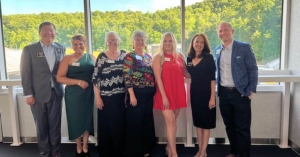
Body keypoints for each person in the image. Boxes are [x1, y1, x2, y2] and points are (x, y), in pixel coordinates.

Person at [20, 21, 66, 157]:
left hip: (56, 93)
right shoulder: (29, 49)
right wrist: (28, 94)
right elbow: (25, 73)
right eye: (45, 30)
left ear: (55, 33)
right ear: (39, 32)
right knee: (41, 127)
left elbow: (64, 69)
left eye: (51, 30)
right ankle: (45, 153)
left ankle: (56, 152)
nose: (49, 33)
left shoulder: (61, 48)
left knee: (55, 126)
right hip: (37, 95)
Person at [215, 22, 258, 157]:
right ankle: (234, 151)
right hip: (223, 94)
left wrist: (251, 90)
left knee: (243, 129)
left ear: (232, 31)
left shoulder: (243, 47)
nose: (223, 33)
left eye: (226, 30)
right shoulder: (217, 50)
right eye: (220, 31)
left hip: (240, 94)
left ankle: (245, 155)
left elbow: (253, 69)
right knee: (230, 126)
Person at [56, 34, 96, 157]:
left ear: (85, 44)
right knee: (75, 119)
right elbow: (59, 78)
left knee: (86, 119)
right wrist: (78, 82)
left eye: (81, 44)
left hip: (88, 93)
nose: (78, 46)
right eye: (75, 44)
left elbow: (98, 74)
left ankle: (85, 145)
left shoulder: (92, 57)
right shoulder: (67, 59)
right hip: (73, 94)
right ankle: (78, 145)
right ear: (72, 45)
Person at [153, 32, 190, 157]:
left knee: (174, 121)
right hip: (164, 94)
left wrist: (203, 72)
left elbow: (186, 73)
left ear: (174, 42)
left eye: (170, 41)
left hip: (178, 92)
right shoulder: (158, 57)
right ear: (162, 42)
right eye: (165, 41)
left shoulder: (180, 56)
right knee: (170, 122)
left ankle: (169, 147)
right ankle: (174, 153)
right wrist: (164, 96)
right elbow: (158, 78)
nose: (167, 43)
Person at [92, 31, 127, 157]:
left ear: (119, 41)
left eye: (115, 39)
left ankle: (119, 150)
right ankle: (107, 152)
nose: (112, 42)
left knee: (120, 124)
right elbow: (96, 78)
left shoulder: (124, 55)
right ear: (106, 42)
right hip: (106, 97)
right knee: (106, 126)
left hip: (121, 97)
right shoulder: (102, 57)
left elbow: (128, 74)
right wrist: (98, 97)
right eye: (110, 40)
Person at [123, 30, 156, 157]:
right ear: (133, 42)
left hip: (148, 93)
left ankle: (147, 148)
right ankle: (136, 151)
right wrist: (131, 94)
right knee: (135, 122)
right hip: (136, 94)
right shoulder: (129, 56)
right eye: (137, 39)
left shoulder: (148, 57)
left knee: (146, 121)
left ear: (145, 41)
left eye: (142, 39)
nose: (140, 42)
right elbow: (127, 76)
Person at [186, 33, 216, 157]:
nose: (199, 44)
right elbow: (187, 74)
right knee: (198, 123)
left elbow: (212, 79)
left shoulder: (209, 58)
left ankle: (204, 151)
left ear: (205, 45)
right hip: (195, 94)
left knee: (206, 124)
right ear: (193, 43)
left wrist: (212, 98)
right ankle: (199, 150)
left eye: (202, 42)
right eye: (197, 42)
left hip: (207, 95)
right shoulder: (188, 58)